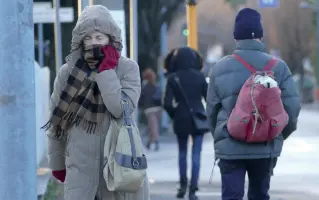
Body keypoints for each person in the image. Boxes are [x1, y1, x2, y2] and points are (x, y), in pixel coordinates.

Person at [43, 5, 149, 200]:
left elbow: (121, 109)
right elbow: (56, 123)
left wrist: (105, 72)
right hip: (80, 178)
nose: (93, 43)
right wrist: (57, 164)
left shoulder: (127, 68)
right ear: (80, 42)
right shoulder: (68, 72)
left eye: (99, 37)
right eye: (88, 38)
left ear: (111, 38)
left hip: (119, 175)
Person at [206, 8, 301, 200]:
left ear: (236, 37)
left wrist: (222, 135)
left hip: (230, 146)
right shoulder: (279, 67)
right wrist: (276, 134)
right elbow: (292, 109)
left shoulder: (220, 68)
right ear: (260, 35)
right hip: (264, 147)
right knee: (259, 194)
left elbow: (212, 112)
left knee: (231, 196)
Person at [163, 47, 208, 200]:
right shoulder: (200, 77)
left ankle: (182, 185)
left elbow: (167, 103)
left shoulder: (173, 78)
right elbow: (209, 99)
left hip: (181, 118)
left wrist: (175, 114)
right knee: (196, 154)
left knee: (182, 153)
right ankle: (193, 189)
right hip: (198, 118)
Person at [139, 68, 162, 151]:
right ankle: (152, 142)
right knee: (153, 126)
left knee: (152, 127)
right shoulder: (157, 86)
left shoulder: (144, 88)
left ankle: (154, 142)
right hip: (157, 109)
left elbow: (141, 100)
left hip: (149, 109)